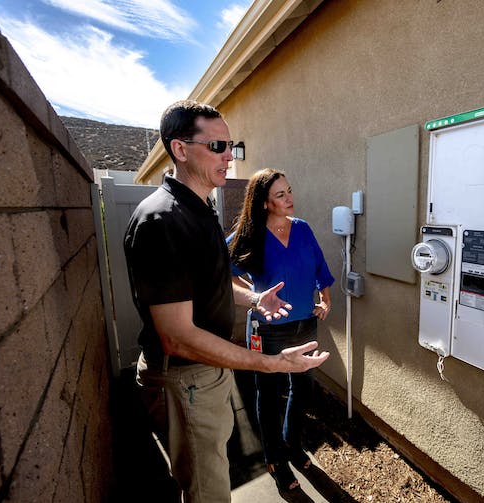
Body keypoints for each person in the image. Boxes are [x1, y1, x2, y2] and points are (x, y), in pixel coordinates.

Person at [123, 100, 330, 503]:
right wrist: (269, 363)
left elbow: (211, 285)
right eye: (216, 146)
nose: (228, 157)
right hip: (186, 376)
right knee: (208, 490)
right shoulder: (163, 220)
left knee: (211, 475)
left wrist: (254, 299)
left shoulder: (199, 210)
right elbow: (178, 338)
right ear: (180, 149)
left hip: (208, 370)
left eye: (230, 146)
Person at [228, 168, 334, 492]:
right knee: (269, 396)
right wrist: (255, 297)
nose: (290, 198)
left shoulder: (302, 229)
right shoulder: (249, 235)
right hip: (268, 329)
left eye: (289, 191)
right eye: (280, 195)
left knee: (303, 390)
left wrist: (325, 299)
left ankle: (291, 443)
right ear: (264, 203)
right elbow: (224, 273)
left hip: (304, 323)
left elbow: (319, 267)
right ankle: (274, 458)